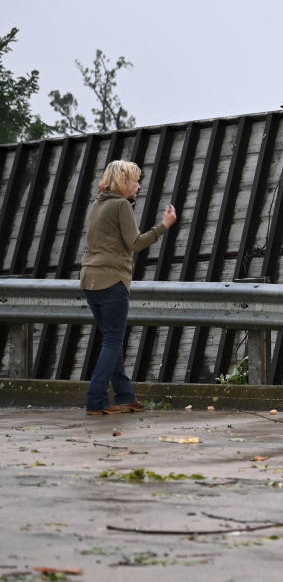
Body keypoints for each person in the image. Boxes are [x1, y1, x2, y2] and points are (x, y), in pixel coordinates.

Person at [81, 160, 177, 415]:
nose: (139, 185)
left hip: (90, 280)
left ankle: (125, 396)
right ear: (124, 181)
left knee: (111, 340)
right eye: (135, 180)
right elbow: (135, 243)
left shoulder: (98, 204)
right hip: (112, 281)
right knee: (113, 341)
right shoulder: (121, 205)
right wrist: (164, 226)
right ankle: (95, 399)